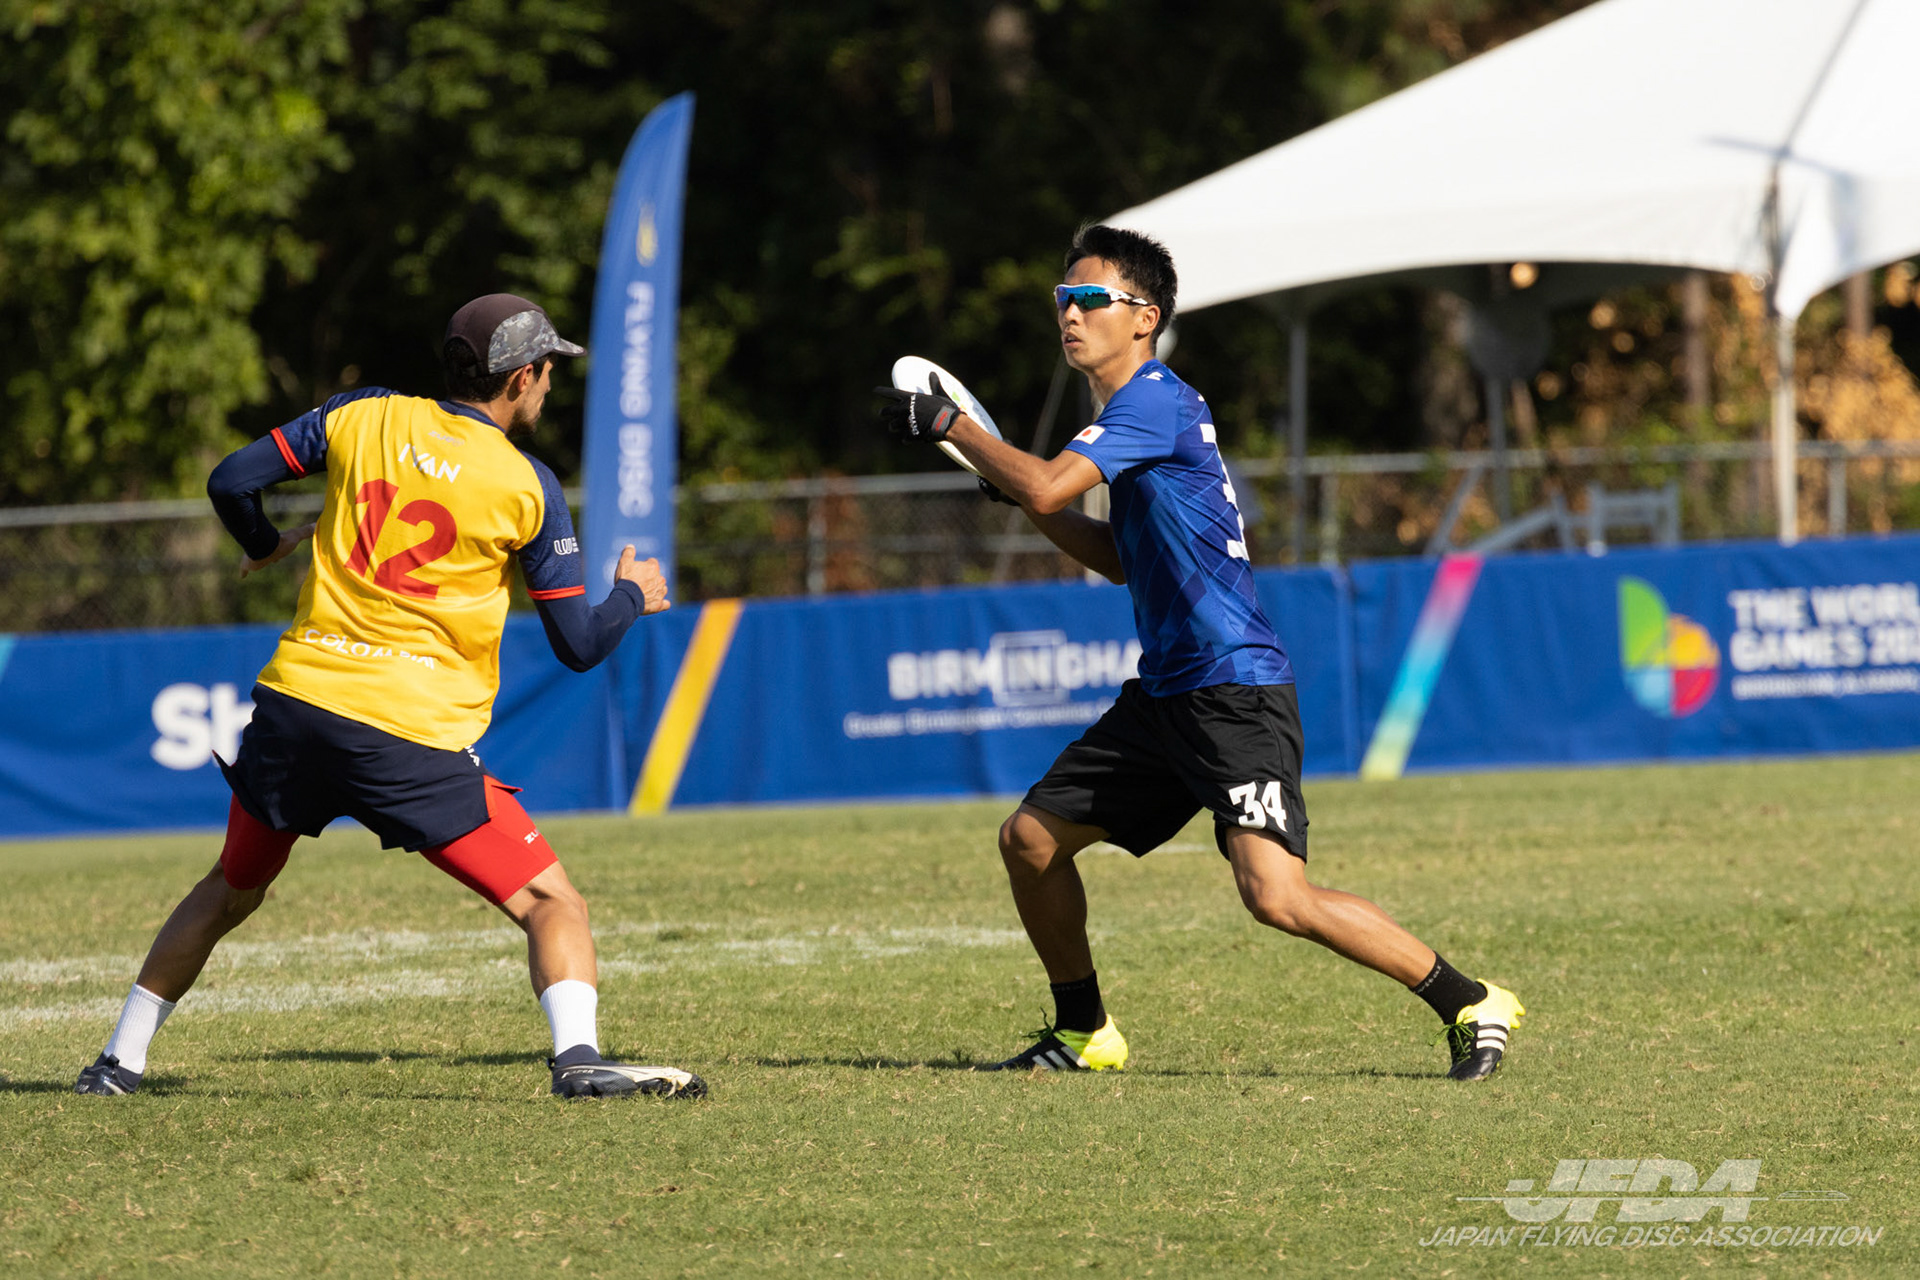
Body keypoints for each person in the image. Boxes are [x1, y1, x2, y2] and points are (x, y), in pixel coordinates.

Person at [875, 227, 1524, 1080]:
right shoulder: (1127, 420)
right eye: (1063, 300)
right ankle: (1084, 1031)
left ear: (1144, 317)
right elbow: (1114, 557)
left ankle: (1469, 1000)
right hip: (1168, 695)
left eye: (1090, 299)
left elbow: (1045, 483)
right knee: (1030, 841)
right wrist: (1022, 491)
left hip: (1232, 689)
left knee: (1276, 897)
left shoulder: (1153, 403)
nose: (1070, 315)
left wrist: (954, 425)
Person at [75, 294, 705, 1101]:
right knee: (553, 902)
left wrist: (265, 544)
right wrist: (630, 596)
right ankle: (577, 1060)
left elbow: (231, 480)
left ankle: (116, 1065)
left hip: (297, 708)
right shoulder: (527, 485)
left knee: (230, 888)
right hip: (406, 735)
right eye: (549, 369)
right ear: (521, 378)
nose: (551, 384)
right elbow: (579, 646)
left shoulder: (362, 415)